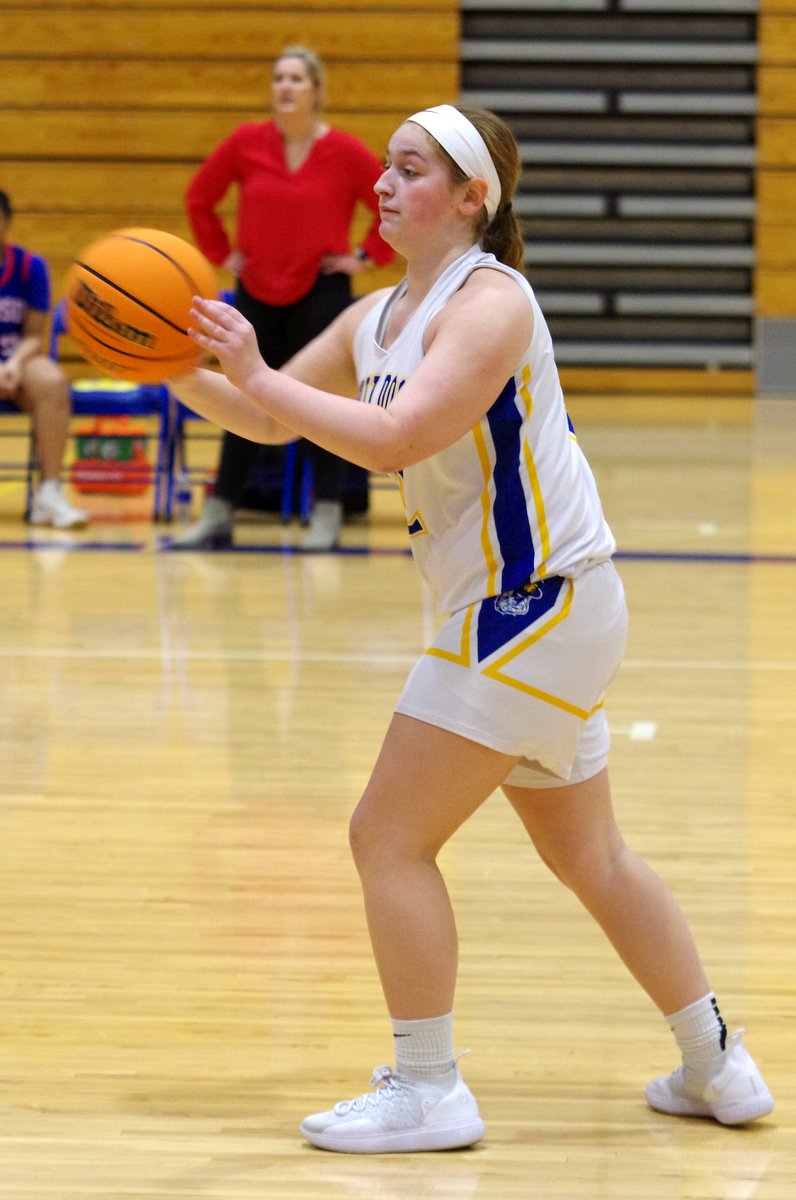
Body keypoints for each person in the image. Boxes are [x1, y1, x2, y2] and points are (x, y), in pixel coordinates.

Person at [170, 104, 774, 1152]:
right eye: (385, 167)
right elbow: (268, 417)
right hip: (538, 614)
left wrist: (258, 372)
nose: (382, 184)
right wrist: (173, 369)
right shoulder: (375, 316)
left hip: (534, 605)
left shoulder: (492, 302)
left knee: (386, 837)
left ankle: (428, 1088)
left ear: (470, 197)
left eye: (408, 169)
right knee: (593, 857)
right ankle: (716, 1062)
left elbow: (395, 438)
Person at [171, 44, 394, 552]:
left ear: (317, 90)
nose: (285, 87)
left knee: (323, 403)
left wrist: (365, 256)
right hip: (257, 291)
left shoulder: (344, 150)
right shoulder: (246, 142)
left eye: (296, 78)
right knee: (246, 395)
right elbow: (199, 197)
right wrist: (221, 253)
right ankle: (219, 512)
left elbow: (387, 198)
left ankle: (327, 510)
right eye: (278, 78)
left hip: (321, 291)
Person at [0, 190, 87, 529]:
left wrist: (12, 365)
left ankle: (49, 493)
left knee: (53, 383)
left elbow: (34, 335)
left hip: (17, 361)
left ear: (6, 221)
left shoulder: (29, 267)